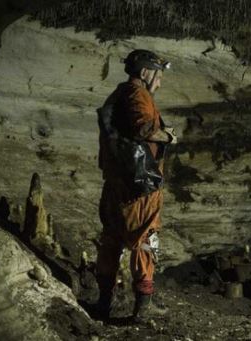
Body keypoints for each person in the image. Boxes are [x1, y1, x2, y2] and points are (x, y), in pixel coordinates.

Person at [94, 49, 177, 323]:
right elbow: (144, 129)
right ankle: (143, 307)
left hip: (117, 182)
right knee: (144, 239)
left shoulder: (118, 94)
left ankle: (104, 301)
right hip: (139, 185)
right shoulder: (137, 95)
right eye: (158, 75)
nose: (160, 82)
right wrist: (167, 136)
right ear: (145, 72)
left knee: (112, 239)